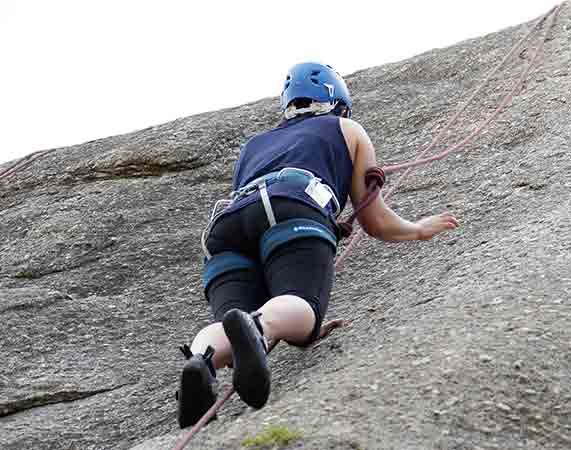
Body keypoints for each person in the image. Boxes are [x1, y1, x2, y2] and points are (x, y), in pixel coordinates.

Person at [176, 62, 459, 428]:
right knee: (303, 308)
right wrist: (418, 229)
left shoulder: (254, 145)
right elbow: (373, 218)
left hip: (226, 227)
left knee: (232, 320)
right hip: (291, 208)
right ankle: (262, 329)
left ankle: (200, 360)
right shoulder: (347, 128)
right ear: (338, 101)